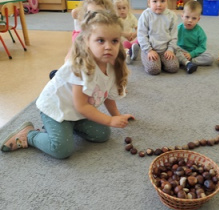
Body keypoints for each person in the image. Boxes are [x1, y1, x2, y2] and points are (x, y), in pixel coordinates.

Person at [1, 11, 134, 159]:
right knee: (61, 149)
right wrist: (110, 120)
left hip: (77, 113)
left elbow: (108, 95)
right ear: (87, 41)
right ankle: (29, 135)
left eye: (114, 41)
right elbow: (81, 106)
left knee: (103, 134)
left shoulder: (113, 65)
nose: (108, 47)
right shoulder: (82, 66)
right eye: (101, 41)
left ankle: (66, 128)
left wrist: (117, 116)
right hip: (57, 109)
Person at [49, 0, 115, 80]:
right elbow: (74, 12)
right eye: (89, 14)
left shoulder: (107, 29)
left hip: (96, 62)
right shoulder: (83, 27)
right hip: (80, 54)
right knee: (71, 60)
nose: (93, 18)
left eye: (98, 14)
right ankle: (61, 74)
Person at [137, 0, 179, 75]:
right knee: (153, 69)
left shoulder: (172, 16)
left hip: (165, 50)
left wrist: (171, 49)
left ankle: (161, 62)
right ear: (149, 2)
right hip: (149, 49)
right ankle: (150, 59)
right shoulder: (145, 15)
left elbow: (174, 35)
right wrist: (149, 50)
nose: (159, 4)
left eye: (162, 1)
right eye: (155, 1)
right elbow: (141, 35)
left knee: (173, 67)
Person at [176, 1, 214, 74]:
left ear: (198, 19)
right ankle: (184, 60)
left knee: (210, 57)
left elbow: (202, 47)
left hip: (194, 52)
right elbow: (173, 42)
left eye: (194, 18)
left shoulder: (200, 32)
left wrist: (191, 54)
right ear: (182, 16)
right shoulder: (178, 29)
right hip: (180, 50)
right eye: (187, 17)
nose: (190, 20)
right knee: (172, 52)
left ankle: (187, 61)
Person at [113, 0, 140, 65]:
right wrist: (125, 34)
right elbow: (114, 31)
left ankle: (133, 49)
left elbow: (138, 28)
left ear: (128, 8)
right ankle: (128, 54)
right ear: (115, 9)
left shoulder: (131, 16)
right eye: (119, 8)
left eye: (124, 8)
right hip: (121, 38)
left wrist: (134, 34)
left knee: (140, 39)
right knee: (121, 43)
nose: (122, 10)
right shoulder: (115, 18)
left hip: (130, 38)